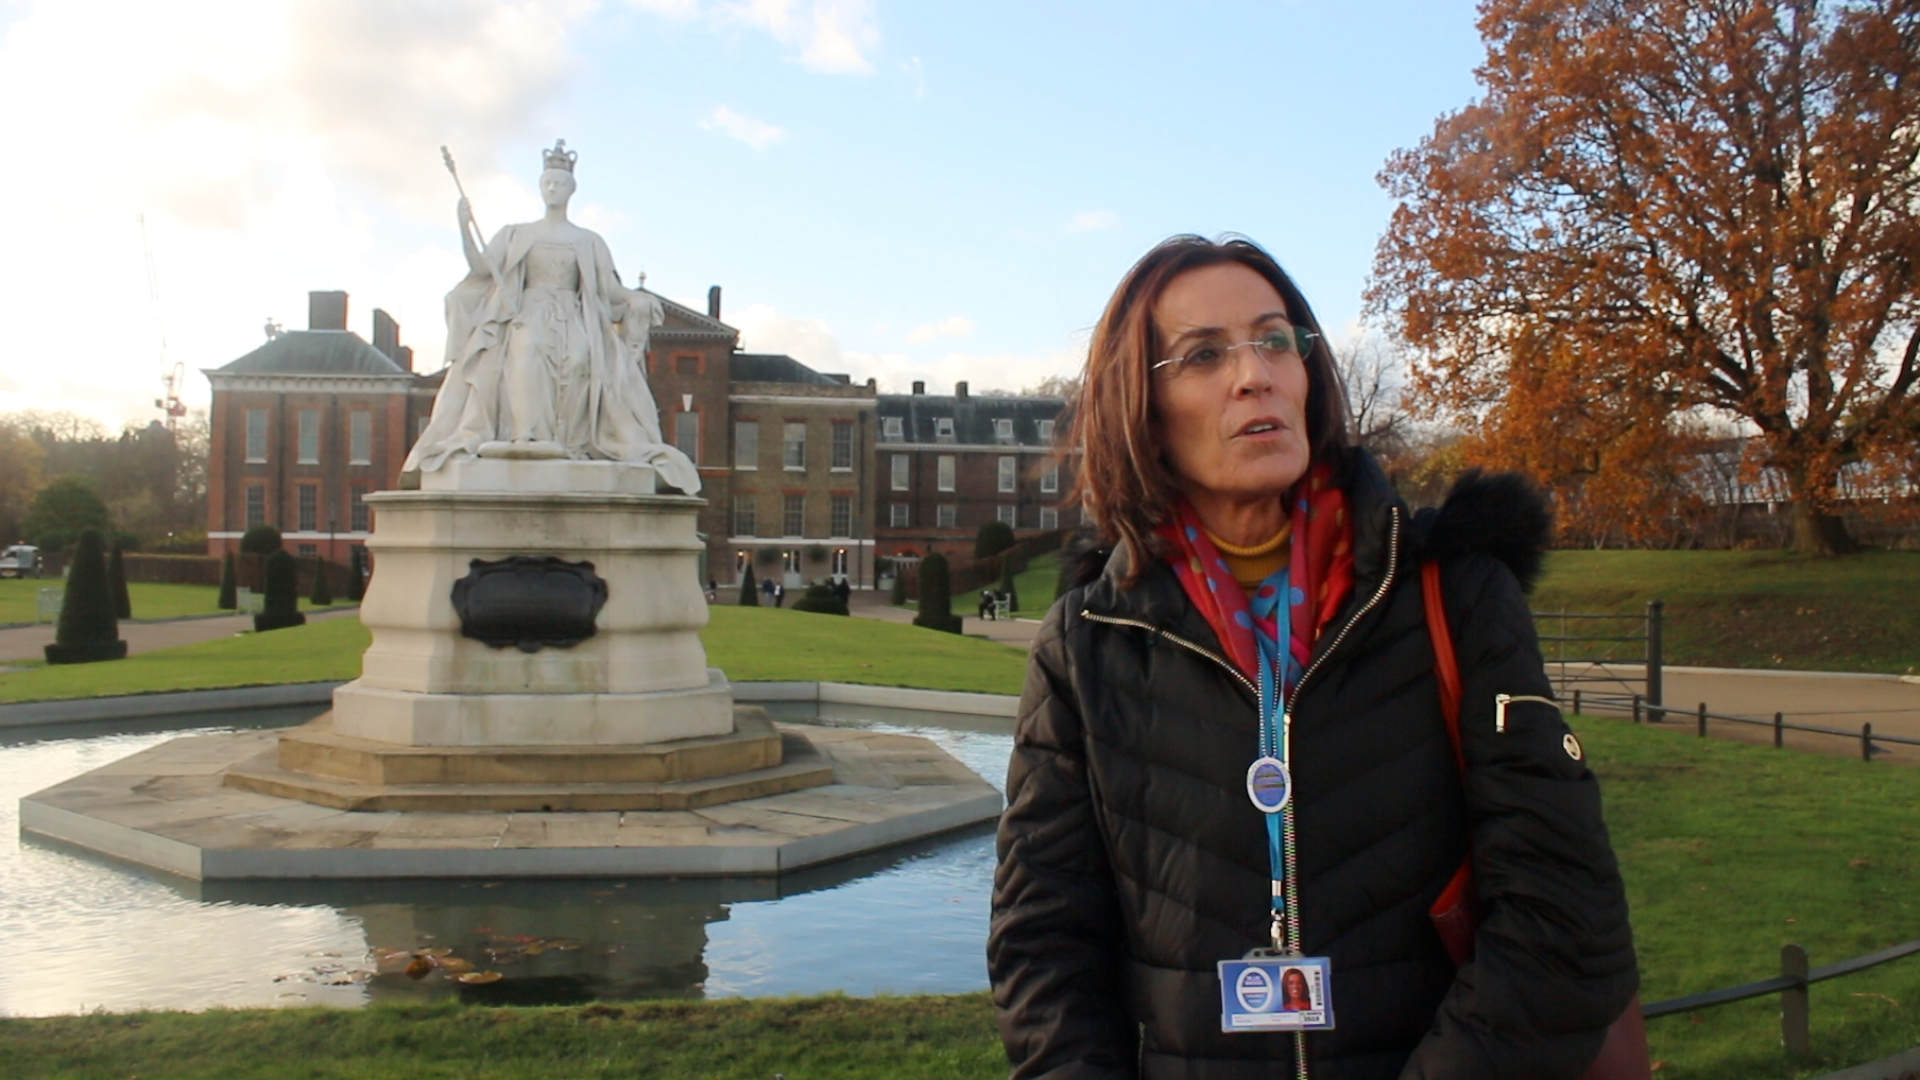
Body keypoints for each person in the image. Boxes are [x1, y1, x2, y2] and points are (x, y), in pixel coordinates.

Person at [988, 236, 1637, 1079]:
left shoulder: (1454, 595)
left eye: (1274, 339)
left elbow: (1563, 914)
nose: (1253, 373)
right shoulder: (1090, 643)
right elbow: (1044, 947)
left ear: (1308, 373)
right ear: (1138, 410)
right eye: (1204, 355)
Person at [402, 140, 699, 495]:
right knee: (527, 355)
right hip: (527, 313)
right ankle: (526, 436)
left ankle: (568, 441)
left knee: (579, 362)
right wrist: (464, 228)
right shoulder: (518, 233)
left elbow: (609, 290)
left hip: (572, 316)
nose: (552, 189)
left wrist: (636, 298)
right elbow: (482, 268)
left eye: (558, 184)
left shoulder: (588, 241)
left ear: (570, 190)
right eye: (547, 184)